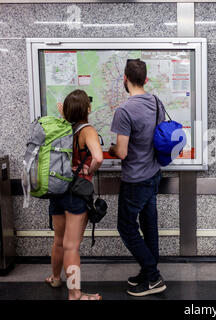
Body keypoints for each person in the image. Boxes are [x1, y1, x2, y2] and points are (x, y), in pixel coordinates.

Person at [109, 59, 167, 296]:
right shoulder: (156, 101)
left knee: (126, 227)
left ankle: (153, 276)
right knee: (148, 224)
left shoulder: (124, 111)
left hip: (135, 179)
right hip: (153, 174)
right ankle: (147, 271)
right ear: (145, 80)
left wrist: (111, 149)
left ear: (125, 79)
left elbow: (121, 152)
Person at [45, 90, 103, 300]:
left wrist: (64, 113)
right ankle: (75, 293)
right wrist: (90, 169)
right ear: (87, 109)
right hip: (76, 192)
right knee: (72, 246)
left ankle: (55, 277)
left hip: (57, 189)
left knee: (59, 240)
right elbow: (97, 157)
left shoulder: (62, 127)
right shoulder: (87, 131)